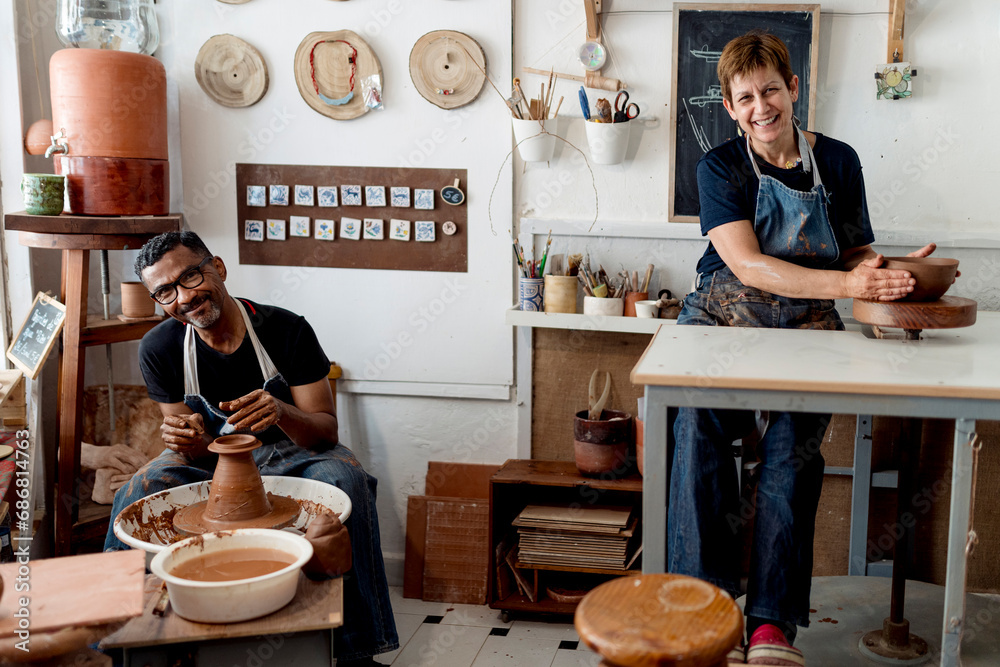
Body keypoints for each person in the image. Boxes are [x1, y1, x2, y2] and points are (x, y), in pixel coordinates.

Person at [670, 31, 949, 666]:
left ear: (794, 89)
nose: (760, 106)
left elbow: (851, 250)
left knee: (792, 455)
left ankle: (771, 625)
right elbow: (748, 266)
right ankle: (705, 614)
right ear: (731, 106)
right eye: (744, 98)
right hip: (722, 321)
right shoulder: (721, 166)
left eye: (770, 89)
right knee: (698, 439)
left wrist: (885, 266)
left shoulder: (842, 162)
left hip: (806, 328)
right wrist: (851, 282)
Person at [104, 231, 398, 666]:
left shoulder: (285, 328)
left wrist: (282, 412)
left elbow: (325, 432)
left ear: (218, 269)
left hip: (294, 449)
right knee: (140, 488)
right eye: (165, 291)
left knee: (345, 479)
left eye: (190, 277)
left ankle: (358, 649)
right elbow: (192, 445)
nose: (183, 298)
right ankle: (120, 640)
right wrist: (185, 440)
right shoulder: (160, 347)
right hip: (214, 460)